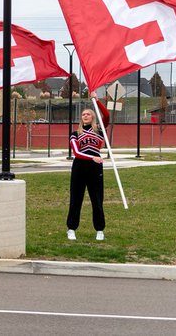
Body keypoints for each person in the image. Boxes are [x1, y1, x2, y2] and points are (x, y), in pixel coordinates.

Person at [67, 92, 111, 241]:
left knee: (97, 199)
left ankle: (99, 229)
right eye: (83, 114)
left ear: (92, 117)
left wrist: (97, 100)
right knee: (76, 198)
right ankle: (71, 228)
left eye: (88, 114)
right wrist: (93, 157)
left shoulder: (99, 130)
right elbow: (76, 152)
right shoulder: (75, 134)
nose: (85, 116)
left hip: (95, 169)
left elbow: (106, 116)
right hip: (80, 167)